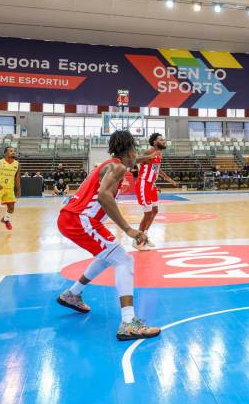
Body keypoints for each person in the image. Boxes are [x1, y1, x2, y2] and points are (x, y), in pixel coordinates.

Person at [55, 130, 160, 341]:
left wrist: (148, 157)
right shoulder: (118, 167)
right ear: (129, 150)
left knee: (107, 256)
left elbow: (132, 160)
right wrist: (128, 229)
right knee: (124, 260)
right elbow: (103, 196)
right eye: (135, 151)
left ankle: (72, 294)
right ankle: (128, 323)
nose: (136, 156)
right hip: (81, 220)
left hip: (72, 218)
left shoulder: (112, 163)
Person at [134, 133, 178, 251]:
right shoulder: (149, 151)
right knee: (147, 214)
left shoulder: (159, 154)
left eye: (164, 139)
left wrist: (168, 179)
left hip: (152, 185)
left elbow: (157, 169)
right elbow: (135, 160)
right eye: (161, 139)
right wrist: (150, 156)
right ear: (154, 142)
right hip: (143, 183)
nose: (164, 141)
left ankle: (145, 234)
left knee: (155, 210)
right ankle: (137, 240)